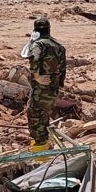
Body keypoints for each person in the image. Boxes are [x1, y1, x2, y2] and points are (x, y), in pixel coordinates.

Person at [22, 17, 66, 153]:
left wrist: (37, 76)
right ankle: (42, 150)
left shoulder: (38, 44)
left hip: (40, 89)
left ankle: (40, 156)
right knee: (44, 118)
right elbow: (63, 67)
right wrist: (59, 83)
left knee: (35, 119)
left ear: (35, 30)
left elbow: (33, 58)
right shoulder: (58, 46)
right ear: (49, 29)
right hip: (52, 89)